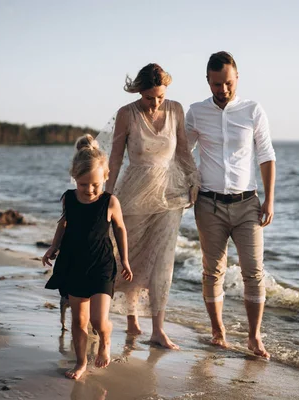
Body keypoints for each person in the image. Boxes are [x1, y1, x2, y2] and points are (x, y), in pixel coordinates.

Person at [186, 51, 276, 359]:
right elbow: (183, 152)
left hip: (247, 203)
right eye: (215, 85)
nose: (222, 90)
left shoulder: (253, 110)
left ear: (236, 78)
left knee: (254, 271)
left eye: (227, 83)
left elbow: (266, 155)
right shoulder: (196, 112)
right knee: (213, 272)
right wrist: (190, 182)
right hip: (208, 205)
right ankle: (218, 332)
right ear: (207, 81)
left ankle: (254, 337)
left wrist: (269, 200)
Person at [104, 63, 199, 349]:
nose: (155, 102)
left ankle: (158, 329)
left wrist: (193, 179)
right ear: (138, 91)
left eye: (160, 96)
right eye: (149, 97)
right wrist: (107, 199)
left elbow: (182, 150)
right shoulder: (126, 114)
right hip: (132, 195)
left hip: (169, 195)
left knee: (162, 262)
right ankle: (130, 317)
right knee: (129, 258)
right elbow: (116, 158)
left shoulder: (176, 109)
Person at [42, 134, 133, 379]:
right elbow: (63, 223)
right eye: (83, 185)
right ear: (75, 179)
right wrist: (53, 247)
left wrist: (124, 260)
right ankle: (81, 362)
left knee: (98, 319)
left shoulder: (110, 202)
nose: (90, 190)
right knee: (78, 320)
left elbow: (121, 229)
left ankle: (106, 337)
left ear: (105, 177)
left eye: (95, 184)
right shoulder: (69, 198)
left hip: (102, 265)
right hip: (73, 264)